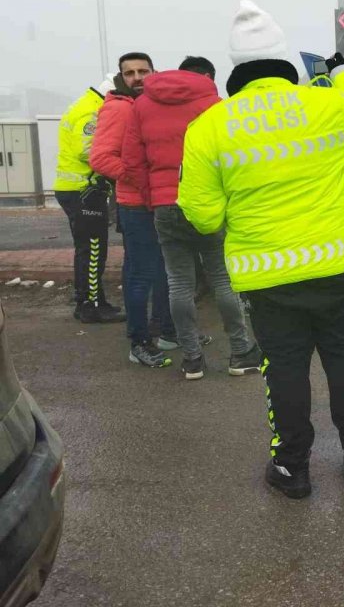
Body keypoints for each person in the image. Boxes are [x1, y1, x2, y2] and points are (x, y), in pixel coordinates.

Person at [178, 0, 344, 498]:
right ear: (284, 61)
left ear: (236, 67)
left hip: (266, 274)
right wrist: (341, 72)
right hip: (335, 265)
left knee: (285, 368)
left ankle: (293, 468)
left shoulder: (208, 127)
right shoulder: (325, 107)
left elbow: (203, 215)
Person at [124, 56, 260, 381]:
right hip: (207, 203)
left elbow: (132, 161)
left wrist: (154, 197)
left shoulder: (141, 105)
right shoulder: (214, 104)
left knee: (179, 283)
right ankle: (241, 353)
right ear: (205, 77)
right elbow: (233, 156)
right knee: (222, 278)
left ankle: (192, 360)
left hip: (165, 205)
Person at [90, 52, 175, 368]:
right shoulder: (119, 109)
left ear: (154, 72)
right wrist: (139, 179)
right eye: (130, 73)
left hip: (157, 202)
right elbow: (101, 158)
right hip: (136, 206)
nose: (137, 77)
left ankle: (166, 331)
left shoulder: (152, 105)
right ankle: (139, 342)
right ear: (121, 77)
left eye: (143, 71)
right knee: (141, 275)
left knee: (164, 270)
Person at [54, 75, 125, 324]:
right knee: (94, 251)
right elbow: (88, 151)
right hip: (84, 190)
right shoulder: (91, 111)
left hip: (78, 189)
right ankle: (90, 307)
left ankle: (90, 301)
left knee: (87, 249)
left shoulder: (86, 104)